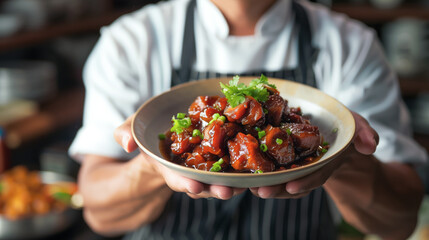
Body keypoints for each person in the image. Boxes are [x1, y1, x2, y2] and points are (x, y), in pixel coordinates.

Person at [69, 0, 428, 239]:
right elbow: (100, 213)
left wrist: (345, 158)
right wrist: (152, 165)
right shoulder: (133, 41)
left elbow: (399, 221)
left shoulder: (350, 44)